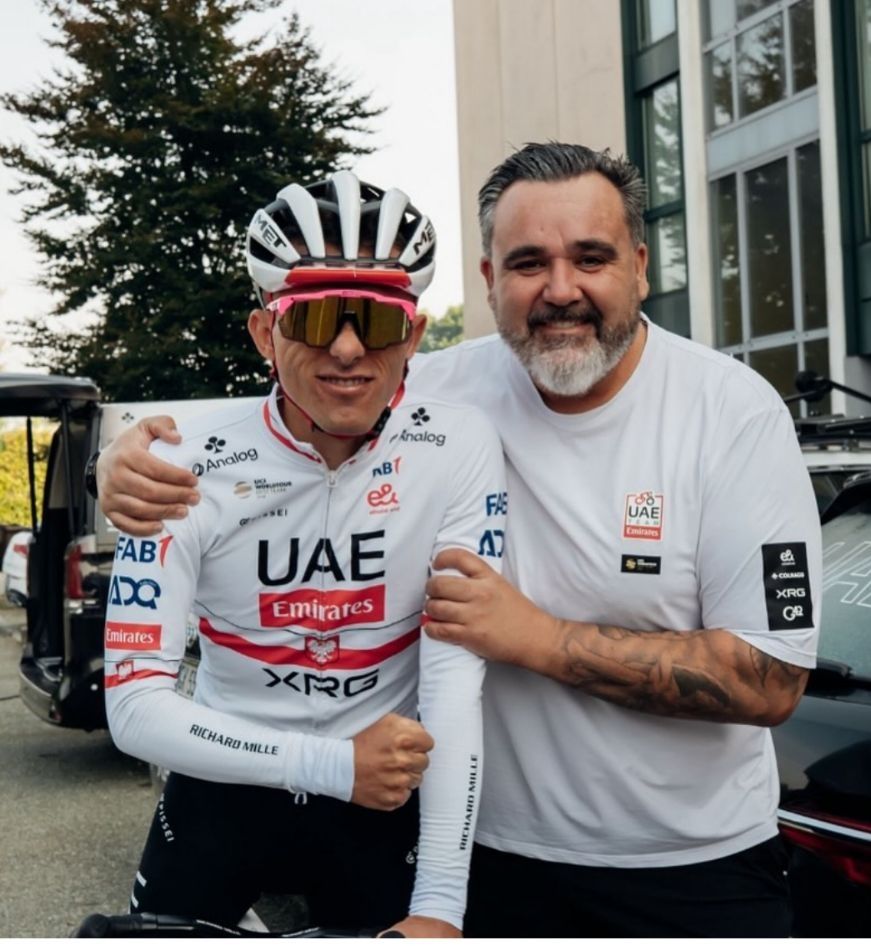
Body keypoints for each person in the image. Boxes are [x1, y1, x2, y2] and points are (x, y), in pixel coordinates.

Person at [96, 143, 821, 937]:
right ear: (488, 279)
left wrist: (537, 637)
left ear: (640, 267)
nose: (560, 290)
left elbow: (771, 681)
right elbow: (302, 395)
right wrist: (129, 457)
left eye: (590, 258)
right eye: (527, 263)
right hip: (497, 858)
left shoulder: (734, 413)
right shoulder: (437, 387)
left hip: (693, 864)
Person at [100, 170, 506, 937]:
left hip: (383, 794)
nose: (347, 348)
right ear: (265, 334)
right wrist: (329, 765)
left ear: (413, 336)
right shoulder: (177, 466)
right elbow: (132, 706)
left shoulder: (456, 446)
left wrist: (439, 908)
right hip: (225, 782)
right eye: (315, 319)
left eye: (376, 321)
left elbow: (454, 684)